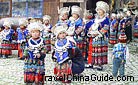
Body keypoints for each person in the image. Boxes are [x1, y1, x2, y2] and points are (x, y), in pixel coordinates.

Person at [87, 1, 110, 70]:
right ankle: (92, 62)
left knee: (99, 51)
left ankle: (99, 64)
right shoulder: (95, 19)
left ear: (104, 11)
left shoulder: (106, 19)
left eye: (101, 10)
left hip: (100, 37)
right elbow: (89, 25)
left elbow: (106, 28)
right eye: (98, 10)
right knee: (92, 50)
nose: (99, 11)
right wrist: (90, 29)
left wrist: (98, 33)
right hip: (93, 36)